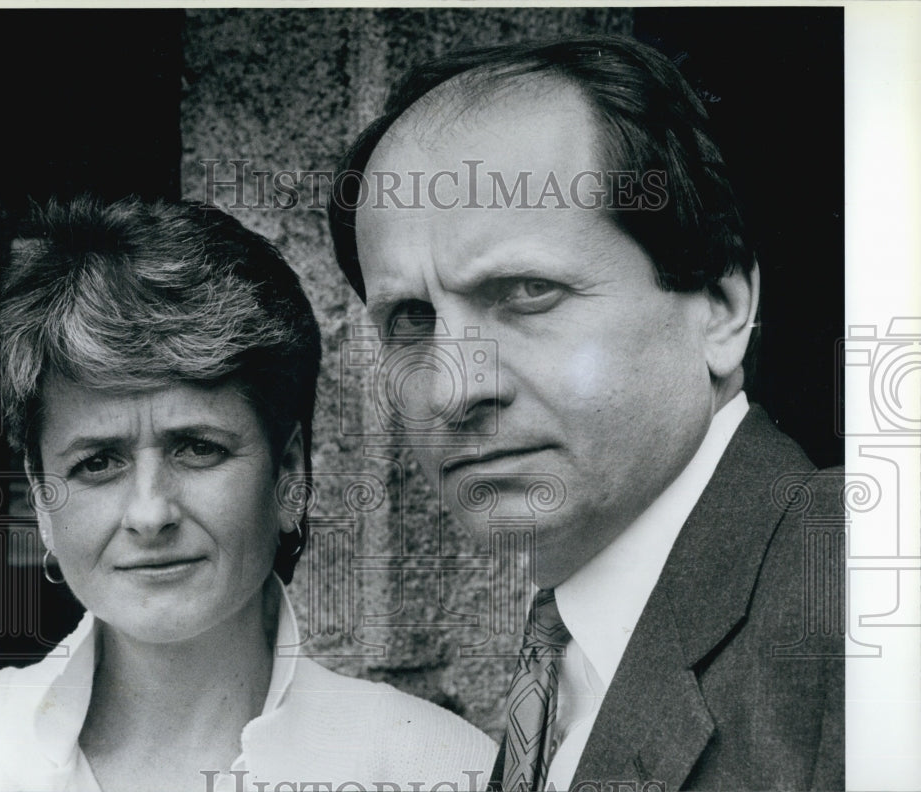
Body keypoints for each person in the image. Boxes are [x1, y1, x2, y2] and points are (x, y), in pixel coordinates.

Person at [328, 36, 844, 791]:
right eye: (411, 320)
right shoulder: (569, 655)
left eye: (528, 293)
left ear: (724, 310)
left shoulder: (868, 587)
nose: (452, 390)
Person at [0, 197, 495, 792]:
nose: (149, 513)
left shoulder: (435, 769)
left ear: (289, 473)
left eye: (198, 448)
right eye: (96, 462)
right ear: (42, 500)